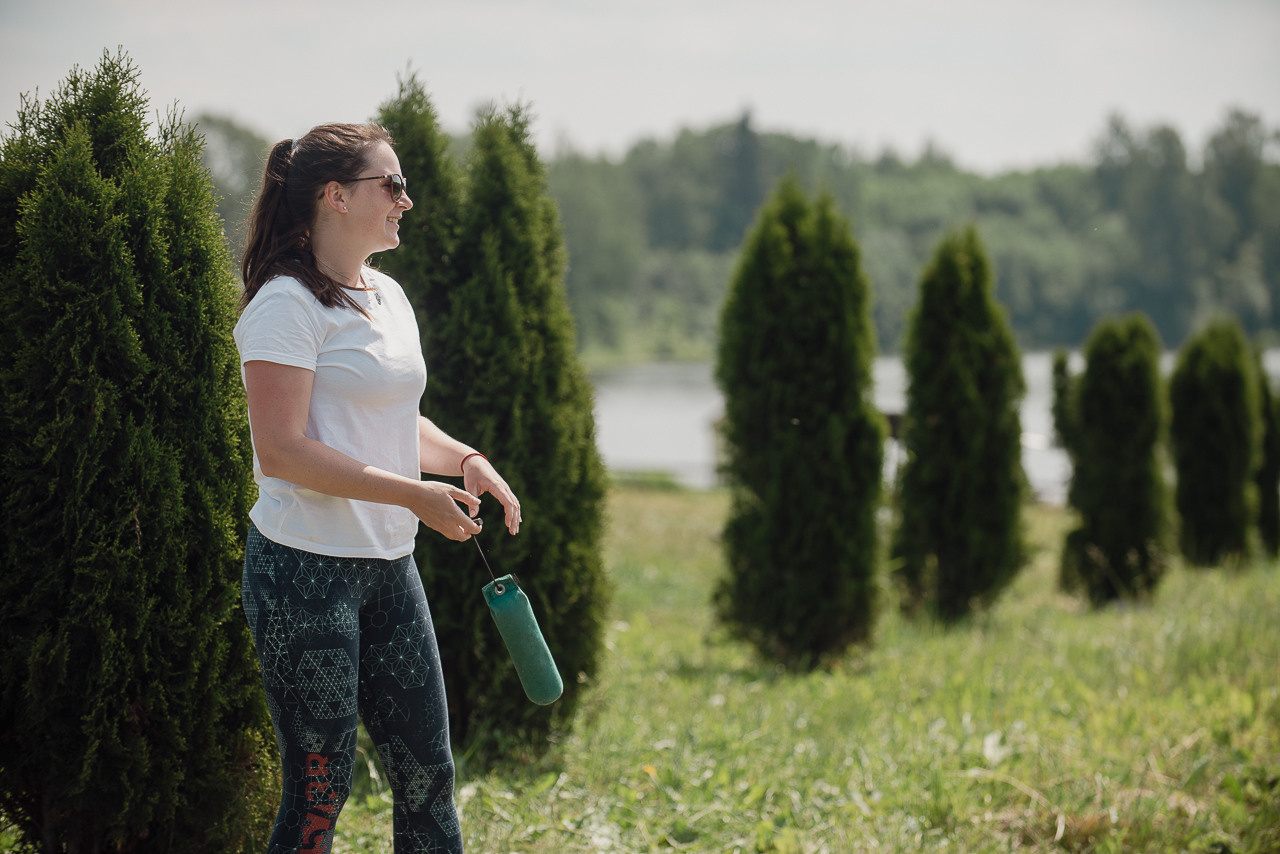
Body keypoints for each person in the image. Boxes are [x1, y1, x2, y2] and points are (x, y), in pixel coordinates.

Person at [233, 122, 520, 854]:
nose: (407, 200)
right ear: (335, 195)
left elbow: (392, 415)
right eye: (390, 185)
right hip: (303, 572)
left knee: (429, 778)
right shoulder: (285, 306)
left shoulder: (387, 296)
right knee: (320, 793)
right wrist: (413, 496)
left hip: (390, 571)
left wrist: (463, 461)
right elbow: (283, 450)